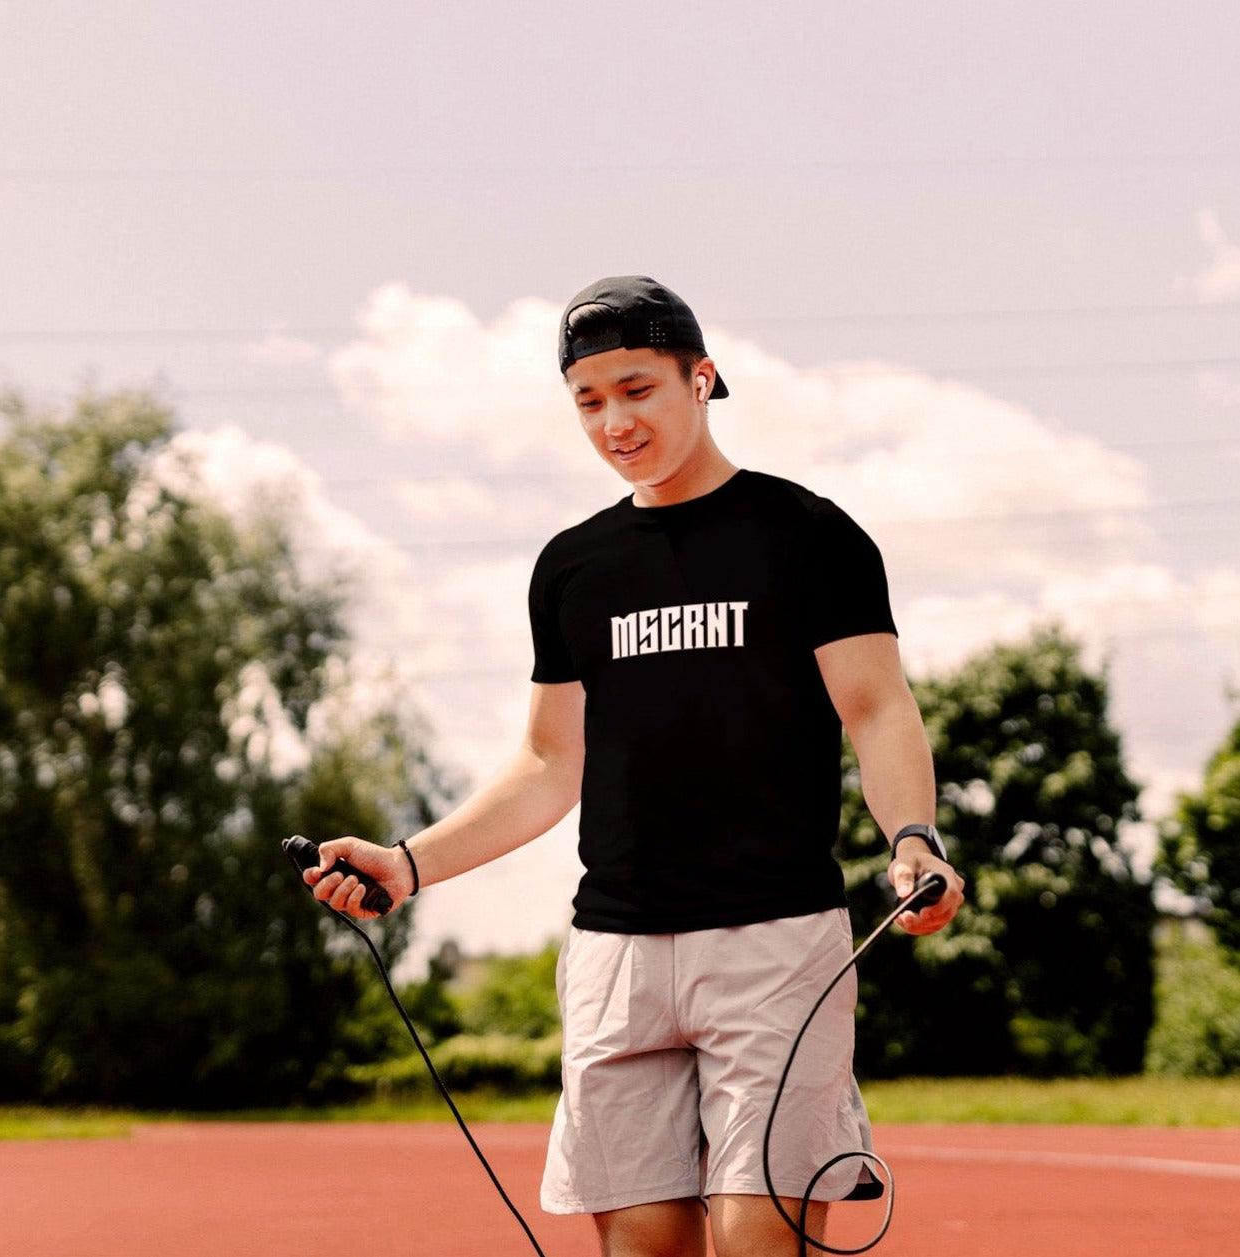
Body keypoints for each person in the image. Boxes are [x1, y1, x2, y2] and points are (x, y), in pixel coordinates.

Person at [303, 275, 966, 1257]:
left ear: (702, 380)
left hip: (775, 945)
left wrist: (913, 837)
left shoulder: (808, 537)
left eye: (637, 388)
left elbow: (877, 711)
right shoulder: (573, 568)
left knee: (756, 1241)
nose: (614, 420)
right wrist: (409, 865)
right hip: (616, 956)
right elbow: (544, 763)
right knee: (643, 1248)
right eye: (589, 399)